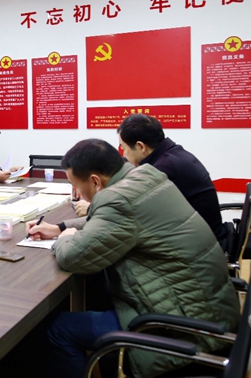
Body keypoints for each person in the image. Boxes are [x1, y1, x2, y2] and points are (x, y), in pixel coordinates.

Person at [26, 139, 238, 378]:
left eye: (76, 187)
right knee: (97, 291)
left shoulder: (117, 200)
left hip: (181, 327)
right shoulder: (144, 177)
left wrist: (65, 238)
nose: (78, 193)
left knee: (58, 330)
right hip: (207, 307)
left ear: (95, 181)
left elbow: (73, 258)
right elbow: (107, 221)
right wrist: (60, 227)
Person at [67, 114, 227, 247]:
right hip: (202, 238)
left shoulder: (162, 170)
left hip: (195, 246)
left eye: (124, 148)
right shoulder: (174, 156)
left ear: (141, 147)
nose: (124, 155)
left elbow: (128, 212)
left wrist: (91, 208)